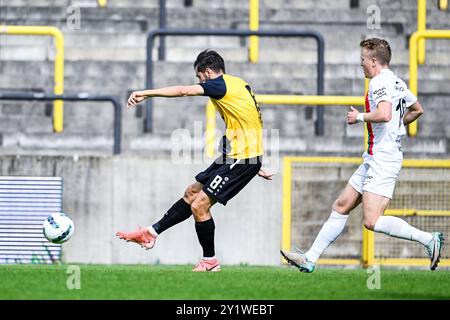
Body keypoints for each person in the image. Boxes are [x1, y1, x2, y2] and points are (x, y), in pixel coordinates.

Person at [281, 38, 444, 273]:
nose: (361, 65)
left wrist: (359, 117)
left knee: (372, 221)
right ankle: (310, 258)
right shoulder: (397, 81)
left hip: (383, 159)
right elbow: (417, 110)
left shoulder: (378, 81)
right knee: (341, 205)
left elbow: (385, 113)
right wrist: (398, 127)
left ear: (374, 61)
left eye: (363, 60)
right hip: (374, 157)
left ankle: (429, 239)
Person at [116, 49, 272, 272]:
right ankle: (150, 233)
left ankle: (210, 261)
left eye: (199, 77)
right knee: (192, 193)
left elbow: (183, 91)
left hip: (242, 157)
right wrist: (254, 163)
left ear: (207, 72)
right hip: (239, 156)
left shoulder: (218, 85)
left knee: (200, 206)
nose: (199, 82)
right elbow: (248, 120)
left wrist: (146, 93)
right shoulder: (238, 84)